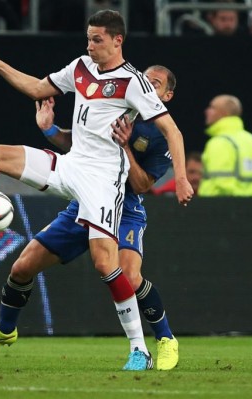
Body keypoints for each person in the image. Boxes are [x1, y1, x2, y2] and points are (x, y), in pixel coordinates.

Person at [0, 10, 193, 371]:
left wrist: (183, 178)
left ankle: (140, 349)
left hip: (103, 182)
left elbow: (174, 132)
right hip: (71, 165)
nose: (90, 45)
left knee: (106, 264)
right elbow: (35, 87)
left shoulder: (133, 82)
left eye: (97, 39)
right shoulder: (80, 67)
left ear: (117, 40)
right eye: (88, 38)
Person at [29, 65, 180, 371]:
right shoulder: (118, 104)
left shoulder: (160, 135)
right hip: (86, 199)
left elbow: (141, 185)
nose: (147, 86)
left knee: (130, 276)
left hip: (125, 207)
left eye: (156, 84)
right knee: (25, 263)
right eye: (145, 80)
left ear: (167, 95)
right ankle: (4, 327)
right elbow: (78, 146)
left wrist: (125, 146)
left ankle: (164, 340)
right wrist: (49, 129)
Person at [198, 95, 252, 197]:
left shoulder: (218, 143)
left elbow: (221, 185)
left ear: (223, 113)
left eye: (212, 107)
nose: (207, 111)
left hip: (219, 210)